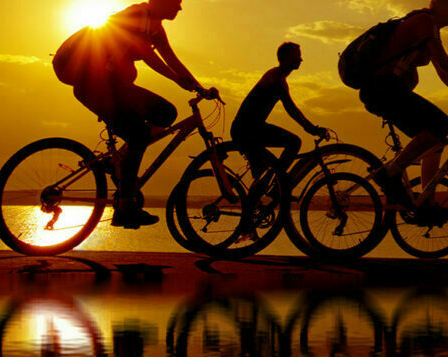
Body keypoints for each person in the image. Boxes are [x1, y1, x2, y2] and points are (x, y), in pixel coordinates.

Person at [68, 0, 216, 228]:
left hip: (113, 86)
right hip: (94, 85)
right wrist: (176, 80)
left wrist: (199, 87)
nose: (179, 8)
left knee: (166, 113)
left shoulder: (155, 27)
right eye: (176, 3)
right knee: (138, 135)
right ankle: (125, 208)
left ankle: (118, 162)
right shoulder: (137, 15)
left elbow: (172, 59)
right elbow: (147, 55)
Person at [357, 0, 448, 214]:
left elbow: (442, 72)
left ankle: (425, 204)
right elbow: (443, 61)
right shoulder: (424, 20)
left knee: (436, 136)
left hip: (386, 89)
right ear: (444, 7)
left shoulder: (428, 27)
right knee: (440, 124)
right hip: (382, 88)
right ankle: (389, 174)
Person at [231, 42, 328, 182]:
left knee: (268, 165)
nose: (301, 59)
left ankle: (274, 184)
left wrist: (310, 127)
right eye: (297, 55)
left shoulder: (279, 77)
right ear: (286, 57)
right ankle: (278, 183)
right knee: (294, 142)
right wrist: (310, 128)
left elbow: (290, 108)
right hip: (246, 131)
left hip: (251, 128)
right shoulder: (275, 78)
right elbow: (291, 108)